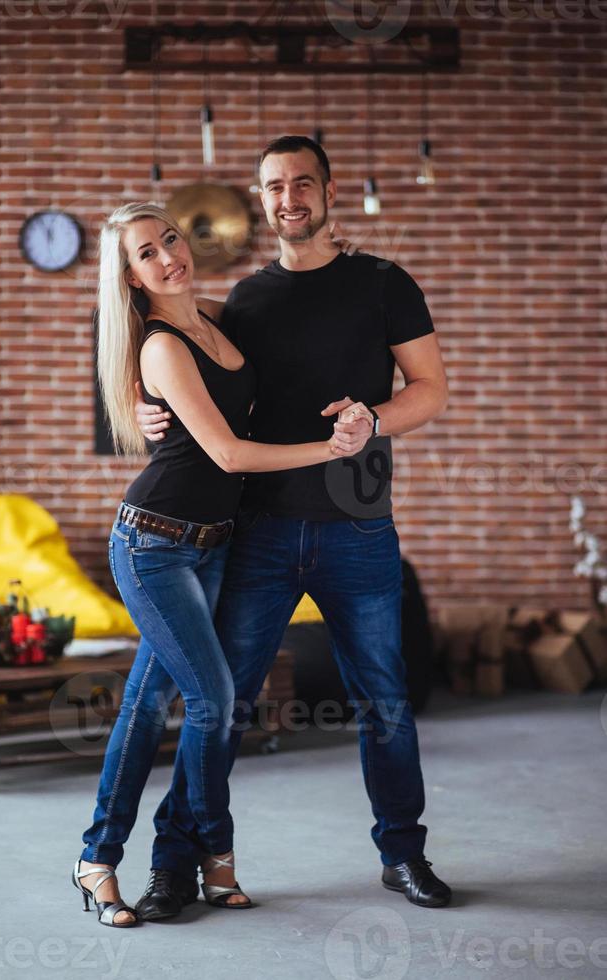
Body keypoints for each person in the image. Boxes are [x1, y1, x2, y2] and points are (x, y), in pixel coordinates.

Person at [136, 136, 452, 910]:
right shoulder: (244, 300)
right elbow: (164, 340)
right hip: (260, 532)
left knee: (383, 698)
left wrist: (373, 418)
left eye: (303, 183)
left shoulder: (385, 284)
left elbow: (432, 388)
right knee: (223, 704)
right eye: (275, 186)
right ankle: (176, 859)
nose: (289, 199)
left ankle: (403, 854)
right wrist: (145, 412)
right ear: (262, 197)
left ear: (329, 191)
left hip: (359, 529)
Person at [75, 200, 368, 928]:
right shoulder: (163, 345)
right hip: (153, 544)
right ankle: (216, 857)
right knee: (214, 703)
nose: (167, 255)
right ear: (131, 278)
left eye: (169, 238)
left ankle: (95, 861)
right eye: (146, 253)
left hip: (213, 541)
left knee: (147, 709)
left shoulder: (216, 315)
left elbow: (243, 406)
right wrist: (331, 452)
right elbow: (230, 453)